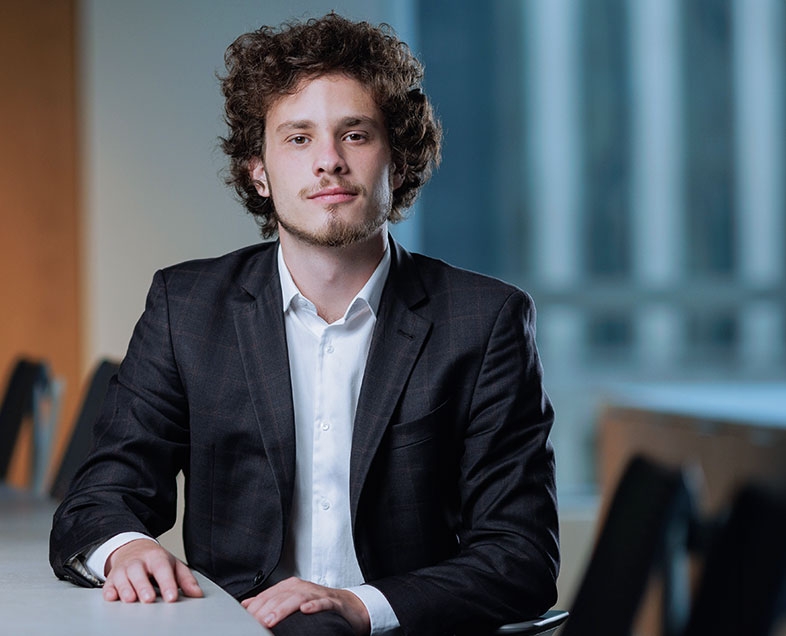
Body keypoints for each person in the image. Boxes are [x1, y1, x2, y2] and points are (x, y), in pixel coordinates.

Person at [50, 13, 559, 636]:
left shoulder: (485, 321)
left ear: (396, 159)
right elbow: (101, 494)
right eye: (298, 138)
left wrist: (362, 605)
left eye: (355, 135)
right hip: (236, 629)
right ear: (257, 172)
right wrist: (125, 548)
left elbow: (521, 555)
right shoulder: (185, 308)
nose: (328, 162)